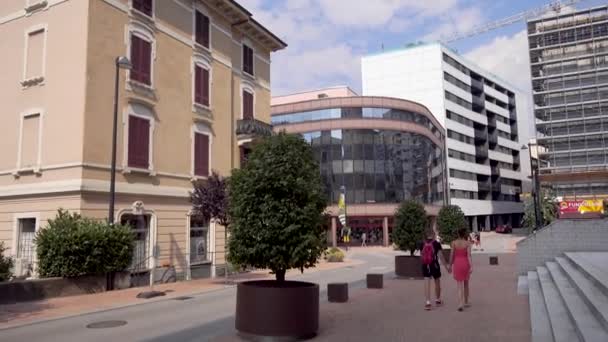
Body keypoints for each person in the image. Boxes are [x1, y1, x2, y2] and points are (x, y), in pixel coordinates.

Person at [421, 229, 449, 310]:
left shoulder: (422, 243)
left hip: (425, 265)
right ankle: (438, 300)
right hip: (434, 264)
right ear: (433, 235)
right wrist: (447, 267)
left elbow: (421, 256)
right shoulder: (436, 243)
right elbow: (441, 256)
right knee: (437, 281)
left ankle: (428, 302)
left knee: (427, 282)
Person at [450, 228, 473, 311]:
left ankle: (460, 304)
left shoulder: (453, 243)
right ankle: (466, 302)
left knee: (459, 285)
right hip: (465, 263)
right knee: (466, 284)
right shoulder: (467, 243)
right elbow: (469, 256)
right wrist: (471, 266)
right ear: (464, 234)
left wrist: (449, 265)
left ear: (458, 234)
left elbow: (452, 255)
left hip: (457, 264)